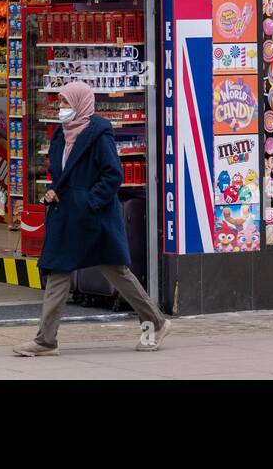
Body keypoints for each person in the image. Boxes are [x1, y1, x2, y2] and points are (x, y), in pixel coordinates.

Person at [14, 80, 171, 357]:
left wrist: (89, 201)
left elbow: (113, 175)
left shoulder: (99, 134)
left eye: (64, 102)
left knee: (117, 272)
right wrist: (51, 191)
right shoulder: (62, 135)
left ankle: (156, 323)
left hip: (95, 218)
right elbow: (60, 176)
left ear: (79, 103)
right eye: (59, 102)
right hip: (67, 216)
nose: (60, 108)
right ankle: (46, 341)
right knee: (57, 272)